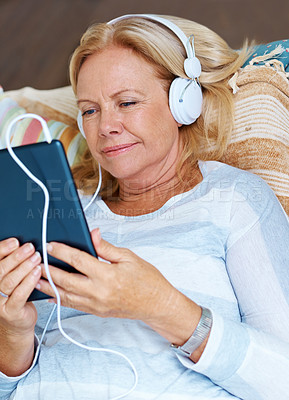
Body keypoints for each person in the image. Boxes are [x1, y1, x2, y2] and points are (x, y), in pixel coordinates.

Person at [0, 13, 289, 400]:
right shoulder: (56, 210)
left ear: (183, 102)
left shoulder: (237, 200)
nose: (106, 126)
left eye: (128, 102)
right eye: (90, 109)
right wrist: (13, 334)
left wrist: (162, 307)